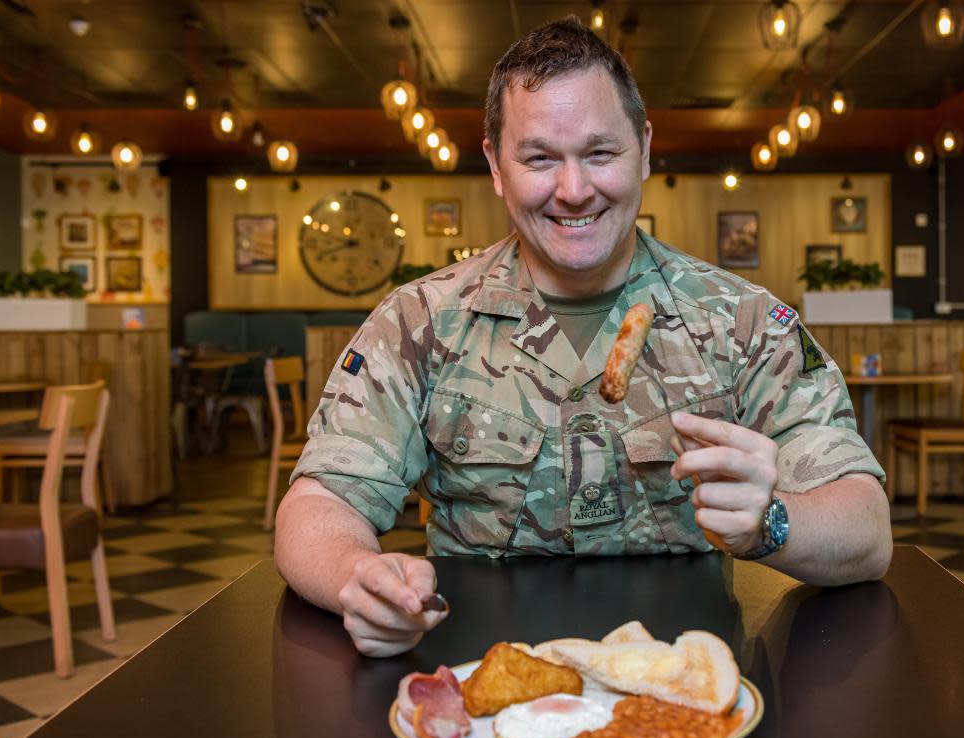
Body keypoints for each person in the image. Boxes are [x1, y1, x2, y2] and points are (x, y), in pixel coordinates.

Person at [275, 17, 892, 657]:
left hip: (686, 697)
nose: (573, 191)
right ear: (495, 164)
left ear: (645, 149)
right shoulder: (418, 321)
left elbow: (867, 528)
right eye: (540, 158)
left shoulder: (744, 323)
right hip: (484, 692)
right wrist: (358, 578)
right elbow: (318, 503)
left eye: (600, 154)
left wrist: (772, 522)